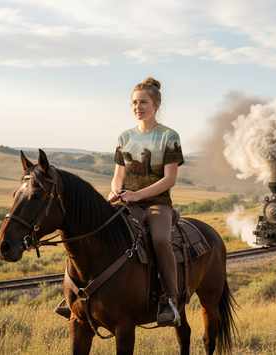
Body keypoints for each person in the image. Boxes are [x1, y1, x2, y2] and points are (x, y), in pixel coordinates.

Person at [109, 77, 184, 327]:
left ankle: (170, 300)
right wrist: (115, 192)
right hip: (126, 202)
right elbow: (119, 175)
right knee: (92, 228)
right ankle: (77, 294)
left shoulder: (169, 136)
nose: (137, 106)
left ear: (156, 104)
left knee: (160, 240)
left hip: (156, 204)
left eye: (143, 102)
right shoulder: (124, 137)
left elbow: (169, 179)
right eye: (133, 102)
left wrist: (139, 195)